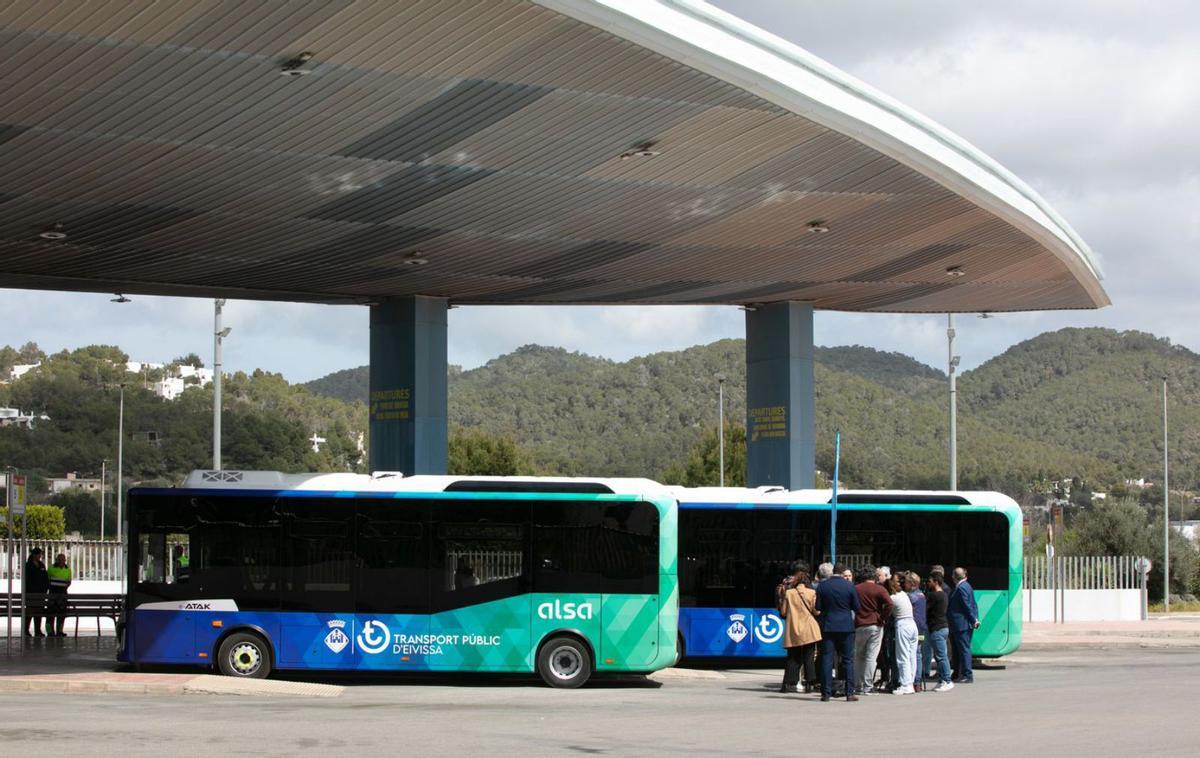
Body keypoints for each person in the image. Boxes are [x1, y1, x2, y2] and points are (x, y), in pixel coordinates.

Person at [814, 562, 860, 702]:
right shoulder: (850, 586)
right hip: (846, 626)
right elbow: (856, 606)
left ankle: (826, 693)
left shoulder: (823, 586)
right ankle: (849, 692)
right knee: (847, 660)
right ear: (842, 572)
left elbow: (818, 606)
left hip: (828, 626)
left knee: (827, 659)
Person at [777, 562, 821, 693]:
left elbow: (784, 612)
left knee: (793, 657)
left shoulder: (789, 593)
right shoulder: (812, 592)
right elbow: (817, 611)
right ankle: (809, 682)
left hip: (793, 629)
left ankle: (790, 683)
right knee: (809, 656)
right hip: (809, 629)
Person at [853, 565, 892, 694]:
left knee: (858, 656)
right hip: (875, 623)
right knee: (871, 657)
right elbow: (889, 604)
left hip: (859, 624)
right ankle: (868, 685)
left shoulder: (856, 589)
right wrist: (883, 617)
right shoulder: (879, 589)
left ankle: (857, 685)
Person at [947, 566, 980, 684]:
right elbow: (974, 605)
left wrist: (973, 620)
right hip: (960, 624)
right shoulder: (967, 586)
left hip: (961, 625)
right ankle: (957, 673)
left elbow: (967, 606)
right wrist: (976, 619)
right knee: (957, 650)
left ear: (954, 577)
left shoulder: (961, 588)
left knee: (964, 649)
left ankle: (967, 674)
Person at [888, 574, 917, 695]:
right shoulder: (904, 594)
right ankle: (910, 682)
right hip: (912, 624)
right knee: (911, 655)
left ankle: (906, 684)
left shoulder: (893, 597)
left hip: (903, 624)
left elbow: (887, 608)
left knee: (902, 656)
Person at [923, 573, 953, 692]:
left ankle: (946, 680)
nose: (928, 583)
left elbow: (926, 609)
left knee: (941, 656)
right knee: (941, 655)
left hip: (936, 628)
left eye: (930, 581)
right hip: (943, 627)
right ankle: (942, 680)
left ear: (936, 581)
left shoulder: (934, 596)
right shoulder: (944, 594)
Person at [906, 572, 927, 692]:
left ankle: (912, 679)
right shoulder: (922, 595)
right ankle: (917, 682)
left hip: (913, 627)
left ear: (911, 583)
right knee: (918, 654)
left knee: (911, 654)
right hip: (921, 628)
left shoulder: (910, 597)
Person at [23, 547, 49, 637]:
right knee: (29, 612)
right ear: (34, 555)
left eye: (40, 554)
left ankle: (38, 630)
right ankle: (26, 630)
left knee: (39, 612)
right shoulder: (28, 565)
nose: (39, 556)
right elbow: (27, 579)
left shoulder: (41, 565)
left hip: (41, 593)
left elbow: (45, 577)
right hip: (31, 593)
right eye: (38, 554)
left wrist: (45, 589)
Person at [47, 553, 72, 637]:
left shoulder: (68, 569)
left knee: (62, 613)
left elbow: (69, 581)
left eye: (63, 560)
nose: (61, 561)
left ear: (65, 560)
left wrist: (63, 588)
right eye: (59, 559)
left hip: (63, 594)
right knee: (50, 613)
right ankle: (50, 632)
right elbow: (48, 580)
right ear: (56, 560)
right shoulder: (51, 568)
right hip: (53, 594)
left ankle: (59, 631)